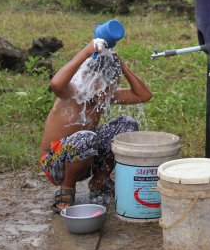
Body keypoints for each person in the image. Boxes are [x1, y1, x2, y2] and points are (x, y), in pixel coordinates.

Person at [40, 37, 152, 213]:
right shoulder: (72, 93)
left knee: (127, 125)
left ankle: (99, 181)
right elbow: (55, 83)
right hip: (55, 163)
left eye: (112, 86)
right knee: (87, 137)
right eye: (104, 86)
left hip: (86, 157)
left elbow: (143, 95)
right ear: (88, 78)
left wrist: (121, 65)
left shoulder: (105, 94)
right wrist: (86, 52)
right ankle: (67, 188)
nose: (107, 92)